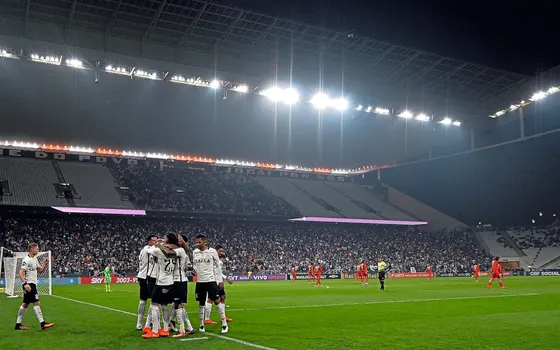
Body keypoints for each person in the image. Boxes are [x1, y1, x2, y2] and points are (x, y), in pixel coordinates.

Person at [142, 233, 180, 339]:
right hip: (170, 281)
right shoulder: (176, 251)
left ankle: (154, 331)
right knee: (164, 305)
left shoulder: (159, 251)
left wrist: (157, 244)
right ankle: (166, 329)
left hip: (161, 281)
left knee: (154, 304)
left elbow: (148, 251)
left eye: (165, 238)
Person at [193, 234, 229, 334]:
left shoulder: (212, 251)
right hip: (200, 281)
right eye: (197, 242)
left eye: (199, 242)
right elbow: (195, 265)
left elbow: (217, 266)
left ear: (205, 242)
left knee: (217, 300)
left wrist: (220, 280)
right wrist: (194, 270)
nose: (197, 244)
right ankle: (201, 325)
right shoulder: (195, 252)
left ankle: (224, 324)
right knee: (201, 303)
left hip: (210, 280)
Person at [14, 243, 54, 331]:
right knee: (36, 302)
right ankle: (43, 323)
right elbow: (20, 273)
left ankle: (18, 325)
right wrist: (25, 284)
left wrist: (45, 263)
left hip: (32, 284)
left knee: (25, 304)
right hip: (29, 284)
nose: (38, 250)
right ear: (31, 249)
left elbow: (40, 271)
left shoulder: (34, 259)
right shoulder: (26, 259)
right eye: (37, 249)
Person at [204, 245, 233, 324]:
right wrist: (225, 279)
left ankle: (222, 317)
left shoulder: (216, 261)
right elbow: (216, 272)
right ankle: (207, 318)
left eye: (222, 251)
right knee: (211, 299)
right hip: (214, 282)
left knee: (223, 297)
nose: (221, 253)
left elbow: (219, 272)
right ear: (216, 251)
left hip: (218, 282)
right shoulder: (218, 262)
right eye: (220, 251)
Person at [137, 234, 158, 330]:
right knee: (147, 301)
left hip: (144, 276)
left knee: (145, 301)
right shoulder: (148, 249)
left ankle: (144, 323)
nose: (156, 242)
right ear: (149, 241)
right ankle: (144, 323)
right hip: (146, 277)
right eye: (154, 240)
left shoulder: (144, 249)